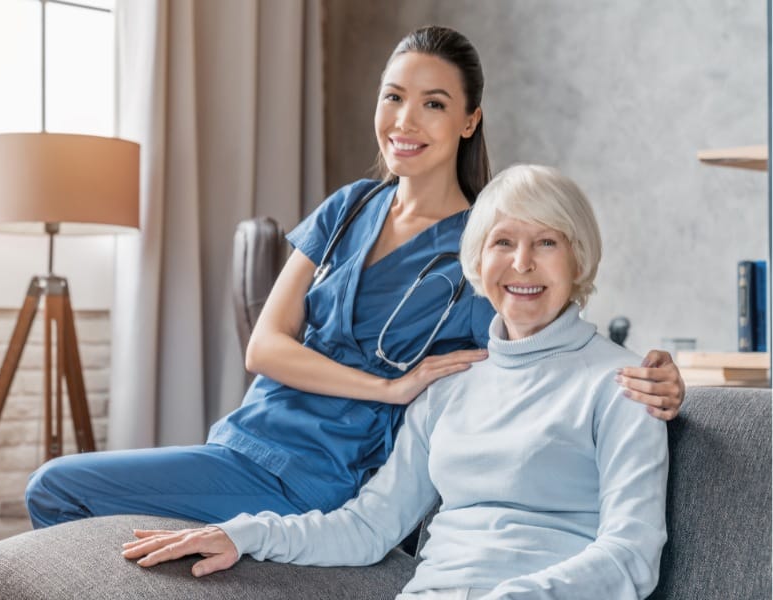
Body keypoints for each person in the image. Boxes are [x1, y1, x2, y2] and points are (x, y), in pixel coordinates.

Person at [26, 26, 682, 530]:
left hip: (324, 476)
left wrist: (650, 380)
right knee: (62, 494)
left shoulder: (483, 244)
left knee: (55, 488)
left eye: (433, 103)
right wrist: (388, 388)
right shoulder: (348, 208)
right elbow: (265, 346)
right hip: (246, 444)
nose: (405, 121)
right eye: (394, 97)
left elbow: (545, 346)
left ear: (469, 121)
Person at [122, 164, 669, 600]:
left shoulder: (623, 385)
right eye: (503, 242)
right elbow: (367, 527)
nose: (522, 263)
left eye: (547, 242)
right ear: (479, 260)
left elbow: (632, 554)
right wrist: (243, 533)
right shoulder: (451, 388)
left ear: (579, 259)